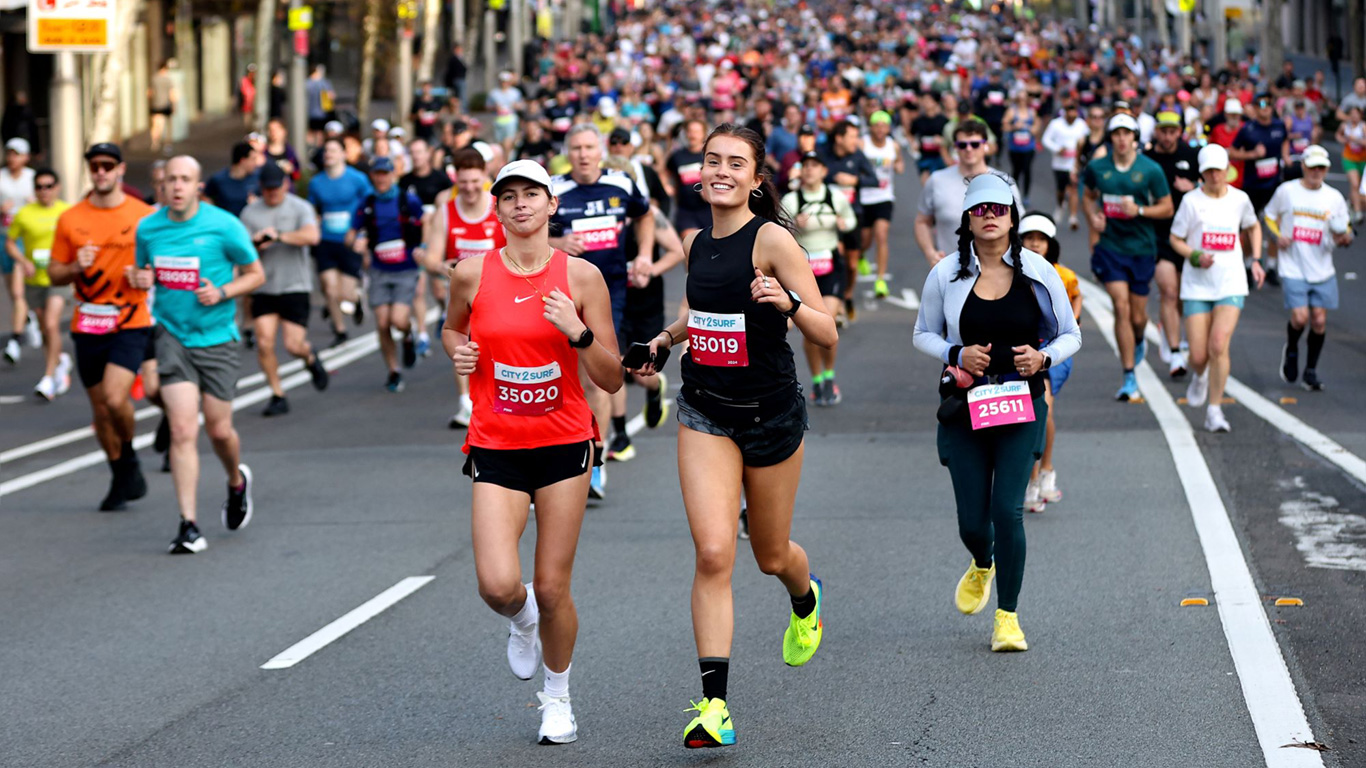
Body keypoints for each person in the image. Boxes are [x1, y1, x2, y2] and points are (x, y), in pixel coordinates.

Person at [632, 124, 837, 750]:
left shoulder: (772, 239)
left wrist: (786, 302)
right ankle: (714, 708)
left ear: (755, 178)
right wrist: (665, 341)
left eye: (735, 162)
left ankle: (805, 596)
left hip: (771, 414)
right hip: (705, 411)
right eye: (711, 160)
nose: (721, 170)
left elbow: (826, 331)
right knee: (715, 552)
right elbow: (703, 314)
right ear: (699, 171)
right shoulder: (697, 242)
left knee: (770, 556)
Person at [443, 158, 622, 746]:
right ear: (497, 209)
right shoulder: (471, 274)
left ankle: (557, 698)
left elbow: (613, 378)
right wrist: (458, 353)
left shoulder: (582, 278)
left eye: (531, 195)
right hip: (496, 440)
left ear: (551, 206)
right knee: (499, 585)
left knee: (552, 586)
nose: (520, 205)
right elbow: (452, 329)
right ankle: (521, 623)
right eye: (509, 197)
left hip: (564, 441)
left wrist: (578, 332)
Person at [913, 174, 1081, 652]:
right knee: (973, 522)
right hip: (964, 407)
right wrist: (954, 353)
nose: (990, 217)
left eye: (999, 209)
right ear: (967, 217)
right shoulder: (946, 273)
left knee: (1008, 512)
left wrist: (1044, 358)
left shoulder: (1039, 271)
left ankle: (1007, 616)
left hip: (1020, 402)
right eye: (980, 210)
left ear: (1013, 216)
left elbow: (1072, 334)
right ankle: (981, 561)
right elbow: (921, 332)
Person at [127, 156, 263, 552]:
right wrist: (139, 278)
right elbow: (141, 275)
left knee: (219, 430)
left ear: (198, 185)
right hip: (172, 337)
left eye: (186, 179)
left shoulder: (223, 225)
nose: (177, 186)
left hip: (218, 338)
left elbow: (256, 274)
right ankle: (188, 524)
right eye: (171, 179)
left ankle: (236, 482)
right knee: (184, 430)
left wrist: (221, 292)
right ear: (161, 185)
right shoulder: (149, 228)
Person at [47, 143, 155, 511]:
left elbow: (160, 266)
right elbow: (54, 273)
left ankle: (129, 456)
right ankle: (120, 471)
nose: (101, 172)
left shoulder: (144, 216)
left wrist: (147, 276)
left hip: (130, 319)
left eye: (108, 166)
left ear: (121, 169)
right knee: (100, 411)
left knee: (114, 398)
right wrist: (76, 266)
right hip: (88, 323)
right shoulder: (70, 218)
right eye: (95, 166)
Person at [548, 124, 653, 488]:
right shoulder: (554, 189)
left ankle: (595, 462)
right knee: (564, 376)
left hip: (611, 292)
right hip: (562, 293)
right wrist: (558, 241)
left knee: (599, 376)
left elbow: (645, 215)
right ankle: (560, 452)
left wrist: (643, 255)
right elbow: (528, 229)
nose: (582, 153)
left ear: (601, 149)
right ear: (567, 152)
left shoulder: (621, 183)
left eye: (589, 146)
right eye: (575, 147)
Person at [1167, 145, 1264, 432]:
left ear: (1227, 170)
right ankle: (1200, 376)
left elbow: (1253, 226)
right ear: (1202, 172)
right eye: (1208, 170)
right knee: (1198, 356)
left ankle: (1215, 410)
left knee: (1218, 345)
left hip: (1230, 282)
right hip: (1197, 285)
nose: (1213, 175)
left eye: (1218, 169)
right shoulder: (1191, 201)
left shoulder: (1240, 199)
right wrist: (1194, 255)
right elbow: (1176, 238)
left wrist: (1256, 259)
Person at [1080, 114, 1173, 402]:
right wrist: (1093, 217)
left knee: (1137, 316)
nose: (1121, 139)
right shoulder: (1098, 167)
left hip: (1142, 248)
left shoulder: (1151, 170)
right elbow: (1087, 194)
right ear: (1110, 138)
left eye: (1126, 133)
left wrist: (1141, 212)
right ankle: (1129, 375)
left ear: (1135, 137)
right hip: (1111, 248)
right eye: (1116, 134)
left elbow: (1167, 207)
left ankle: (1140, 337)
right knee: (1120, 308)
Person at [425, 147, 507, 427]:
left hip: (499, 294)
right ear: (455, 181)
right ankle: (466, 403)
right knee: (462, 344)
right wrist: (447, 269)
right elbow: (432, 259)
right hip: (463, 296)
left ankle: (501, 397)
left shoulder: (498, 207)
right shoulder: (446, 213)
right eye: (464, 183)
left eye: (475, 182)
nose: (470, 189)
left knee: (498, 350)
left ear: (485, 177)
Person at [239, 163, 329, 416]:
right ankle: (277, 394)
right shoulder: (250, 213)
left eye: (276, 188)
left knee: (293, 345)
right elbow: (241, 249)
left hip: (294, 285)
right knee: (265, 343)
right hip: (264, 286)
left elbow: (312, 236)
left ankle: (310, 358)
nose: (272, 193)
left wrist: (279, 236)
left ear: (286, 184)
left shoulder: (300, 207)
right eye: (267, 189)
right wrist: (256, 244)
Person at [1265, 145, 1352, 391]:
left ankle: (1310, 370)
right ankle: (1292, 348)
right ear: (1303, 166)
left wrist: (1345, 238)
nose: (1316, 172)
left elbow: (1344, 229)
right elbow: (1269, 216)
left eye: (1321, 168)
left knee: (1319, 320)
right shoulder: (1287, 192)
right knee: (1300, 317)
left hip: (1322, 268)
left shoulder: (1334, 197)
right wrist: (1276, 236)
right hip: (1293, 265)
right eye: (1312, 167)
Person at [781, 150, 857, 405]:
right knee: (808, 330)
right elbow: (777, 230)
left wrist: (843, 224)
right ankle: (816, 380)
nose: (810, 169)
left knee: (828, 321)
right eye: (806, 165)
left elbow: (851, 219)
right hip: (803, 269)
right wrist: (794, 224)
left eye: (815, 165)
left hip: (830, 265)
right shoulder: (791, 200)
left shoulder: (834, 196)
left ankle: (829, 376)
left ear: (824, 171)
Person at [1017, 213, 1081, 514]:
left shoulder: (1062, 275)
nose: (1034, 244)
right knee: (1031, 411)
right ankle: (1031, 479)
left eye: (1041, 239)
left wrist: (1071, 323)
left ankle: (1046, 470)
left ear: (1050, 244)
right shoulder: (1011, 273)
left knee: (1044, 406)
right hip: (1021, 352)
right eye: (1029, 238)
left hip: (1053, 353)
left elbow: (1076, 300)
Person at [348, 156, 426, 392]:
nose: (381, 178)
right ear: (372, 176)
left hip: (405, 270)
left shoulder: (408, 200)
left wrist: (423, 249)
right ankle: (394, 370)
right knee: (382, 323)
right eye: (377, 174)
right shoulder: (366, 203)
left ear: (393, 175)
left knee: (397, 320)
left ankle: (408, 334)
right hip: (379, 270)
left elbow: (427, 224)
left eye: (385, 173)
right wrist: (357, 243)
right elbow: (351, 234)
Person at [5, 167, 73, 399]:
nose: (44, 191)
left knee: (53, 324)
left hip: (59, 277)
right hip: (35, 279)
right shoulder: (25, 214)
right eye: (39, 187)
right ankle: (60, 362)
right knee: (45, 329)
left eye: (48, 186)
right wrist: (23, 260)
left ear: (57, 188)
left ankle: (49, 377)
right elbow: (10, 242)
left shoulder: (67, 212)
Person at [916, 119, 1022, 266]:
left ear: (985, 146)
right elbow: (922, 221)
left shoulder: (1004, 182)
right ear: (955, 148)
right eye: (962, 145)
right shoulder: (937, 180)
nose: (969, 149)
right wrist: (930, 252)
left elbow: (1019, 225)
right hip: (951, 271)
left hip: (997, 271)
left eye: (975, 144)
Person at [1145, 110, 1202, 378]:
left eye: (1172, 131)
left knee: (1181, 294)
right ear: (1156, 131)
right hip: (1159, 234)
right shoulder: (1148, 159)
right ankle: (1177, 354)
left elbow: (1212, 189)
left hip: (1189, 236)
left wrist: (1192, 188)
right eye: (1163, 131)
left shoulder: (1192, 156)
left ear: (1179, 132)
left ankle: (1170, 333)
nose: (1167, 136)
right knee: (1168, 290)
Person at [307, 137, 373, 347]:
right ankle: (340, 329)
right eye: (326, 150)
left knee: (345, 293)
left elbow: (370, 206)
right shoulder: (316, 182)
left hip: (349, 240)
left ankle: (357, 299)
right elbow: (311, 209)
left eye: (334, 150)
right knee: (329, 288)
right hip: (326, 241)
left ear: (344, 154)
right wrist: (314, 222)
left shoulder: (358, 179)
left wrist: (361, 233)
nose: (329, 154)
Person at [1229, 92, 1289, 285]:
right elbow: (1232, 152)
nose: (1265, 107)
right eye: (1261, 104)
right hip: (1253, 184)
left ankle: (1271, 266)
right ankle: (1248, 265)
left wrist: (1285, 156)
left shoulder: (1279, 127)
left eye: (1269, 103)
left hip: (1273, 184)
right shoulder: (1248, 129)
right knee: (1249, 226)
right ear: (1255, 107)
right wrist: (1253, 154)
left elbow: (1285, 140)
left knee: (1274, 225)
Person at [822, 119, 878, 319]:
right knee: (837, 258)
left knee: (852, 264)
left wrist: (854, 180)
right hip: (828, 217)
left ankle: (847, 294)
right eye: (852, 136)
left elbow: (874, 179)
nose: (856, 141)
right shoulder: (824, 154)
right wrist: (830, 178)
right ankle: (834, 301)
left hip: (853, 214)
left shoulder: (857, 156)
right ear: (839, 138)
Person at [859, 111, 903, 299]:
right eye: (876, 125)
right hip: (864, 197)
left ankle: (880, 280)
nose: (880, 129)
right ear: (871, 127)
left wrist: (899, 166)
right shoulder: (863, 144)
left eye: (883, 125)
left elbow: (900, 163)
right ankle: (861, 255)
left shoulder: (893, 146)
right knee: (865, 240)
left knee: (881, 235)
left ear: (888, 128)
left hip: (884, 197)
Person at [1, 136, 34, 364]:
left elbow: (47, 203)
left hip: (24, 240)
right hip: (5, 238)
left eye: (17, 153)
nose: (12, 157)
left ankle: (15, 339)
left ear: (26, 157)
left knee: (18, 290)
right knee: (12, 291)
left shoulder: (33, 178)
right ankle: (28, 319)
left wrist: (32, 203)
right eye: (9, 153)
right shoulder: (1, 177)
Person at [1041, 102, 1087, 229]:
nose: (1072, 115)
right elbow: (1046, 139)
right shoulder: (1056, 124)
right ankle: (1060, 205)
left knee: (1073, 188)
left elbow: (1086, 139)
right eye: (1069, 112)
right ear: (1065, 113)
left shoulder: (1081, 124)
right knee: (1061, 190)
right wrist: (1057, 149)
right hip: (1059, 163)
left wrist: (1081, 150)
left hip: (1074, 163)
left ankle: (1073, 216)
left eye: (1074, 112)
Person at [667, 119, 712, 240]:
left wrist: (710, 189)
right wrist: (667, 185)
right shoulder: (677, 156)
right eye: (690, 131)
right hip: (686, 209)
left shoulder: (710, 155)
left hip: (709, 209)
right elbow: (666, 172)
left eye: (697, 132)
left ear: (703, 134)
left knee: (709, 246)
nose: (693, 135)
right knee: (690, 243)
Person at [202, 142, 261, 217]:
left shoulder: (257, 177)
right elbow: (205, 198)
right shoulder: (219, 179)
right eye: (253, 159)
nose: (255, 163)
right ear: (243, 160)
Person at [1002, 90, 1040, 204]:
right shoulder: (1012, 111)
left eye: (1024, 99)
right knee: (1016, 170)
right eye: (1020, 99)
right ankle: (1015, 193)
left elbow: (1037, 127)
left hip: (1028, 147)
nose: (1022, 101)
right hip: (1015, 148)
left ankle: (1026, 195)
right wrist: (1014, 126)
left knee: (1027, 169)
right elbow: (1004, 126)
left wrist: (1031, 129)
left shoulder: (1032, 112)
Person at [1334, 107, 1366, 222]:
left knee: (1361, 188)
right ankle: (1358, 213)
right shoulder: (1344, 125)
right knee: (1355, 184)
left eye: (1356, 114)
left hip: (1363, 160)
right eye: (1351, 114)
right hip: (1349, 158)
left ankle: (1351, 201)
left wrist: (1354, 139)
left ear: (1360, 115)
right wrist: (1342, 140)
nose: (1354, 117)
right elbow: (1338, 135)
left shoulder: (1363, 127)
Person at [911, 92, 950, 182]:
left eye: (929, 100)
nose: (926, 102)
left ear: (935, 103)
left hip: (940, 156)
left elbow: (950, 139)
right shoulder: (918, 121)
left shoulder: (944, 121)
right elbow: (911, 135)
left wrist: (942, 141)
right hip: (925, 156)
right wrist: (914, 144)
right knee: (926, 184)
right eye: (924, 100)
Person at [148, 60, 177, 152]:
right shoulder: (168, 79)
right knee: (165, 125)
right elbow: (172, 93)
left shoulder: (154, 78)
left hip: (155, 104)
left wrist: (151, 102)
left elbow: (149, 93)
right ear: (165, 68)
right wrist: (174, 105)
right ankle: (167, 144)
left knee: (156, 124)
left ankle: (155, 142)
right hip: (166, 104)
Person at [305, 64, 336, 148]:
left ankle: (310, 149)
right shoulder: (324, 83)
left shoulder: (306, 83)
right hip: (322, 113)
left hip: (309, 113)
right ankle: (318, 149)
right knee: (320, 133)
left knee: (310, 132)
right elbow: (331, 96)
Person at [444, 44, 468, 114]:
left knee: (461, 96)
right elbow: (451, 72)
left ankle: (461, 111)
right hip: (457, 80)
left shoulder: (460, 58)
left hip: (461, 80)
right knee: (461, 97)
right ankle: (462, 112)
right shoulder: (453, 59)